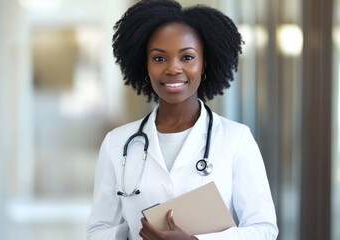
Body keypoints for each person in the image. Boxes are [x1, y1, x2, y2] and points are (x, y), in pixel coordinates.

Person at [87, 0, 278, 239]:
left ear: (204, 63)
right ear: (144, 64)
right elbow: (98, 231)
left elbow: (263, 229)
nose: (173, 69)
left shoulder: (236, 139)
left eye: (187, 57)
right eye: (159, 58)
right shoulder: (117, 143)